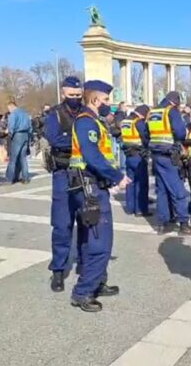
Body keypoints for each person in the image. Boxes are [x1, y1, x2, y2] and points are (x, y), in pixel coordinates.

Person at [68, 80, 130, 312]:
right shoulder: (87, 122)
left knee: (88, 238)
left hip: (90, 186)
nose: (108, 104)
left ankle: (96, 282)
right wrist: (116, 176)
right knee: (99, 242)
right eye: (105, 100)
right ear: (95, 99)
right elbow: (92, 156)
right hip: (89, 188)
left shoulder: (93, 121)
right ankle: (83, 292)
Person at [44, 76, 84, 292]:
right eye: (71, 95)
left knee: (87, 221)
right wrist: (80, 139)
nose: (75, 99)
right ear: (63, 93)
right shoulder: (55, 114)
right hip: (62, 172)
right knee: (61, 225)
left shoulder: (87, 112)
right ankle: (58, 270)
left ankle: (86, 266)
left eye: (78, 95)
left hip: (85, 172)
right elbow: (54, 138)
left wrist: (70, 137)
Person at [145, 91, 191, 236]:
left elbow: (145, 133)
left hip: (156, 154)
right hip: (169, 154)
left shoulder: (153, 112)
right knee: (178, 190)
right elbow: (181, 132)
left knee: (162, 190)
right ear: (175, 102)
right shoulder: (172, 111)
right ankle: (183, 224)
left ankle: (162, 224)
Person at [120, 105, 151, 217]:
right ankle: (140, 209)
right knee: (141, 183)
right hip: (138, 155)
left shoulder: (125, 121)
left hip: (128, 154)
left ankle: (130, 208)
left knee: (130, 182)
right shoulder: (138, 122)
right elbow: (145, 136)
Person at [5, 101, 32, 184]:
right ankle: (26, 178)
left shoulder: (13, 114)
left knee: (13, 158)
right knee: (23, 158)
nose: (9, 110)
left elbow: (11, 126)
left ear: (11, 106)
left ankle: (10, 178)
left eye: (8, 109)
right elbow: (30, 127)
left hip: (17, 135)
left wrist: (9, 134)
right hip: (26, 135)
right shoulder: (25, 113)